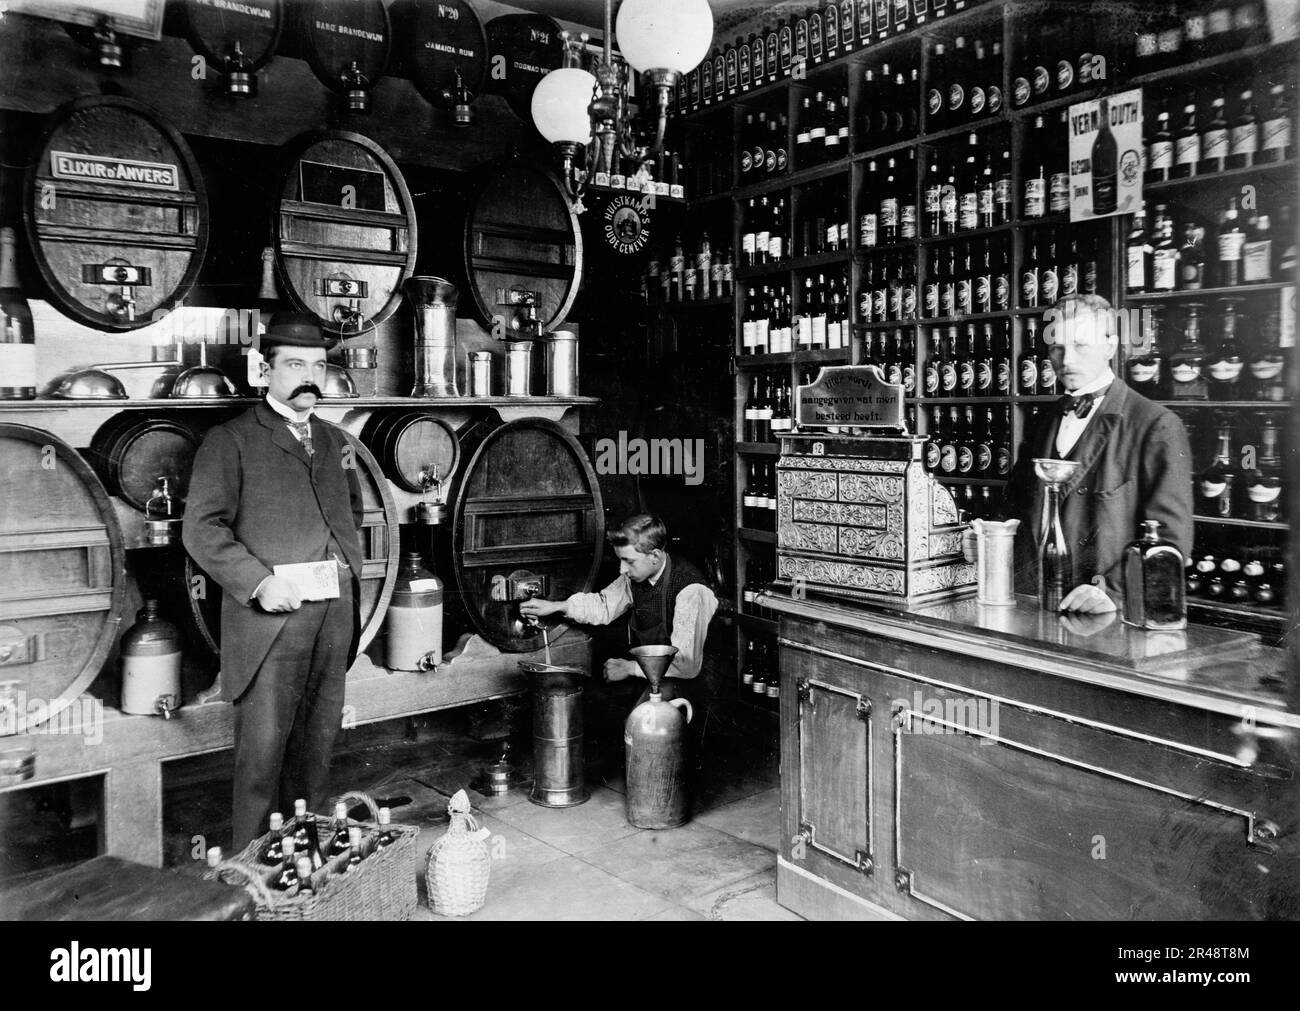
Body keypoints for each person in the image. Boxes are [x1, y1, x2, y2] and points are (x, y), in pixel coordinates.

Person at [182, 313, 364, 847]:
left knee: (316, 749)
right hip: (271, 620)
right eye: (294, 364)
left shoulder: (334, 440)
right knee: (261, 758)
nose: (310, 376)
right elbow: (201, 528)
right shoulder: (231, 439)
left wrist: (347, 570)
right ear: (266, 370)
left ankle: (303, 861)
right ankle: (251, 877)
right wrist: (260, 583)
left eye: (318, 365)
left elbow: (348, 509)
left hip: (332, 614)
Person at [1000, 293, 1193, 612]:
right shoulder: (1041, 421)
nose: (1067, 359)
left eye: (1081, 345)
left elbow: (1170, 542)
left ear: (1110, 346)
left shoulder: (1155, 424)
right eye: (1057, 346)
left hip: (1107, 612)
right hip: (1034, 604)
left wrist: (1111, 593)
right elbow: (1015, 507)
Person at [520, 514, 718, 710]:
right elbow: (604, 606)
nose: (622, 569)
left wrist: (629, 668)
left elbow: (686, 665)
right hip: (657, 675)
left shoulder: (691, 590)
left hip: (696, 687)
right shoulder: (635, 577)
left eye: (629, 561)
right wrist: (557, 606)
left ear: (655, 556)